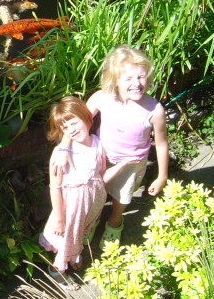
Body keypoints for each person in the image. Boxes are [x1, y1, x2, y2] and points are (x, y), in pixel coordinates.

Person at [52, 45, 169, 250]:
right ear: (114, 79)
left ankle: (115, 221)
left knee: (122, 196)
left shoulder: (154, 110)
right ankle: (93, 218)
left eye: (141, 77)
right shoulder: (101, 98)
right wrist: (63, 147)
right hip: (100, 157)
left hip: (131, 163)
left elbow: (161, 144)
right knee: (96, 192)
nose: (137, 84)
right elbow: (77, 121)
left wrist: (162, 176)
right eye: (129, 79)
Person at [39, 96, 132, 290]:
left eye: (74, 122)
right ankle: (57, 270)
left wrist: (124, 164)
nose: (71, 129)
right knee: (67, 238)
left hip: (91, 204)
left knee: (80, 233)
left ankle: (73, 255)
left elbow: (101, 176)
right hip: (70, 209)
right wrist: (58, 217)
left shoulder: (98, 144)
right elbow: (55, 186)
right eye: (65, 128)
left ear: (87, 118)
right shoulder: (61, 154)